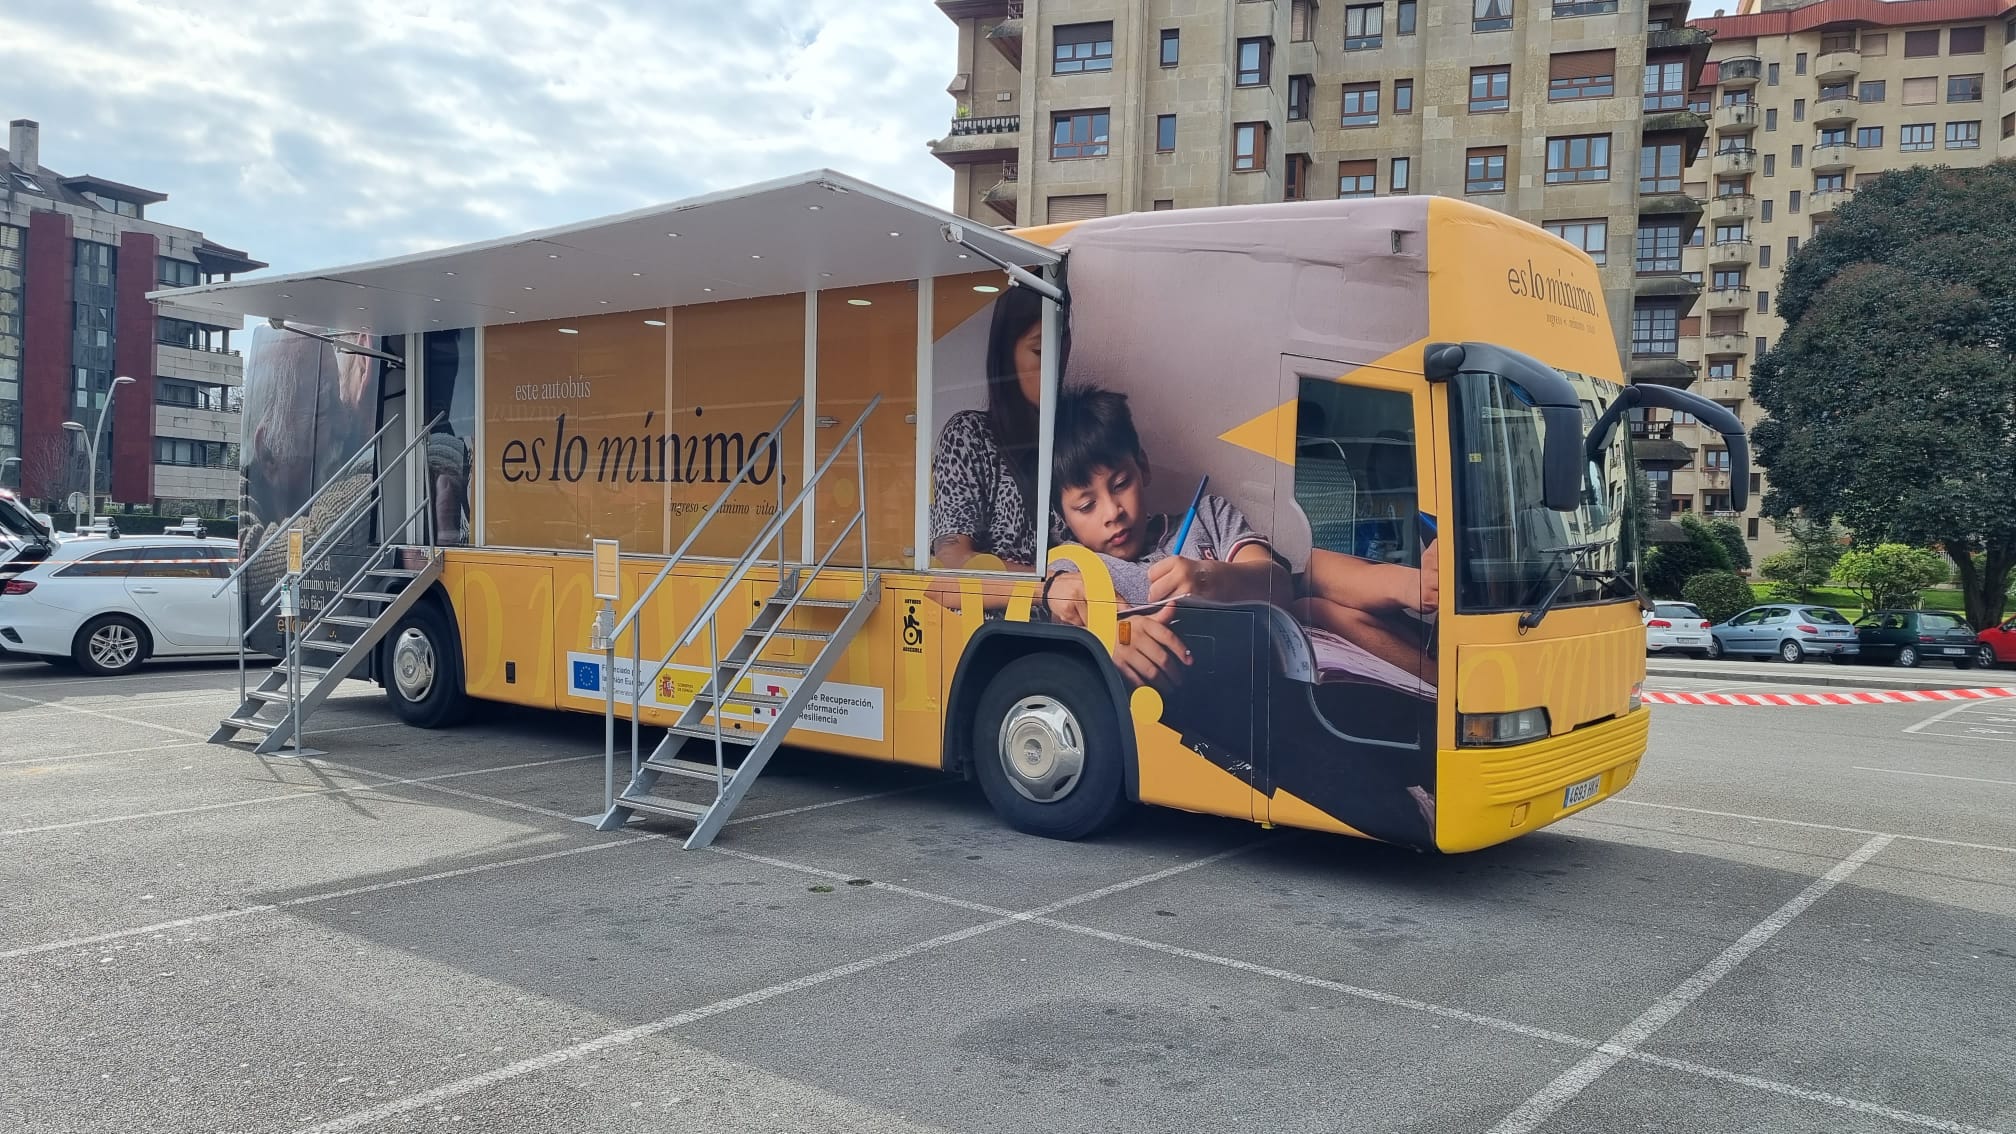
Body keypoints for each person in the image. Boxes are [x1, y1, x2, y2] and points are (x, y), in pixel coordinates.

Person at [1039, 385, 1291, 689]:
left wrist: (1207, 578)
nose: (1111, 512)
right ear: (1061, 514)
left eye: (1120, 484)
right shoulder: (1070, 568)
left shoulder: (1209, 516)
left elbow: (1279, 587)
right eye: (1086, 505)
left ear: (1142, 467)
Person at [927, 286, 1056, 609]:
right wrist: (1050, 587)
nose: (1055, 364)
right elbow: (952, 557)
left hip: (1079, 619)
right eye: (1040, 351)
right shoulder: (970, 436)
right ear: (1006, 354)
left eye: (1062, 343)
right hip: (993, 625)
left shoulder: (1079, 436)